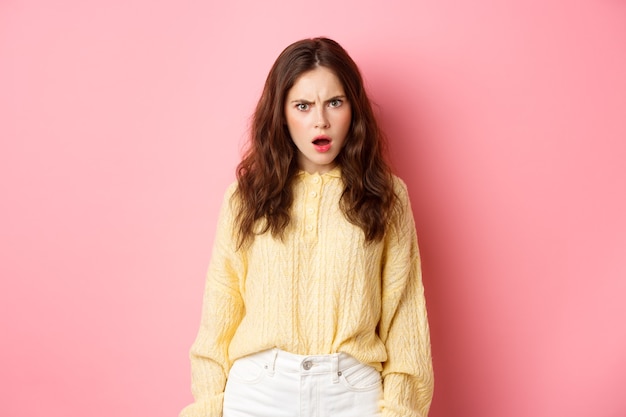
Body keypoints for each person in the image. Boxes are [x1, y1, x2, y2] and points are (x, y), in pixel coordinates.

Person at [180, 37, 434, 417]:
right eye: (303, 106)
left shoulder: (387, 195)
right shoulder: (245, 197)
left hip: (352, 392)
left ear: (353, 109)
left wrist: (399, 408)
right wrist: (210, 405)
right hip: (258, 393)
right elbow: (221, 308)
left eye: (335, 102)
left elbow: (404, 315)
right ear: (282, 114)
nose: (321, 120)